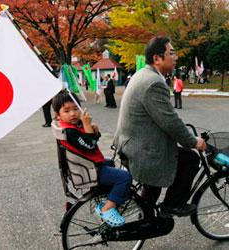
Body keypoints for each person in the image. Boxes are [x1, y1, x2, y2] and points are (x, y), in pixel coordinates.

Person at [113, 36, 206, 217]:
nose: (176, 57)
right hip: (141, 150)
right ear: (157, 58)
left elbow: (164, 117)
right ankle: (172, 206)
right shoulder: (154, 83)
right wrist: (193, 141)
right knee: (191, 159)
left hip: (131, 143)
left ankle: (146, 217)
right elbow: (170, 121)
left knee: (152, 190)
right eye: (171, 53)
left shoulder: (143, 74)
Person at [52, 90, 132, 227]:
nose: (73, 113)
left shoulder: (70, 127)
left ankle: (106, 197)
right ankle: (107, 208)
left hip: (85, 165)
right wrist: (87, 126)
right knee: (124, 177)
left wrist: (91, 129)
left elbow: (89, 140)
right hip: (88, 171)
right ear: (57, 115)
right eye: (66, 111)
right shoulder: (70, 131)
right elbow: (90, 145)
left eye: (75, 108)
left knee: (110, 163)